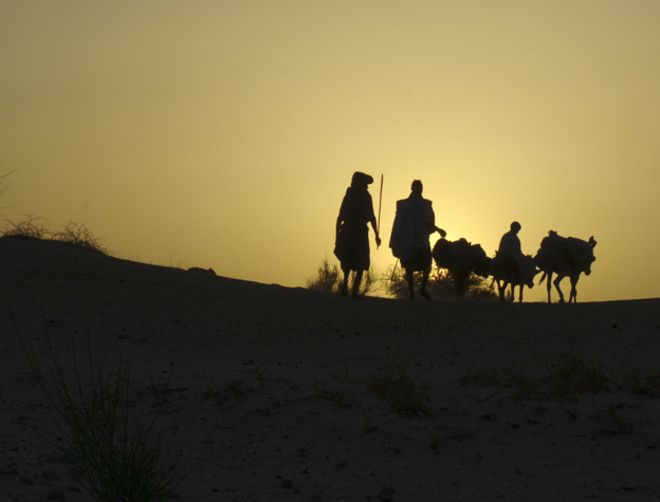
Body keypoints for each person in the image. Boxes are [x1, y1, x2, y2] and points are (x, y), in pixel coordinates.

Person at [389, 179, 445, 300]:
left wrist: (437, 229)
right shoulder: (416, 205)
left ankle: (418, 291)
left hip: (414, 241)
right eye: (419, 187)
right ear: (415, 188)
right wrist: (438, 229)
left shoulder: (414, 205)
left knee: (421, 266)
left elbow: (427, 223)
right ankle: (415, 292)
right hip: (415, 242)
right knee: (417, 266)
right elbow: (427, 223)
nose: (420, 189)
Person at [334, 171, 381, 297]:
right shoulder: (365, 196)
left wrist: (337, 237)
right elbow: (371, 216)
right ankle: (352, 289)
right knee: (361, 260)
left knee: (349, 259)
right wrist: (376, 234)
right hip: (358, 231)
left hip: (348, 230)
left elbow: (340, 218)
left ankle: (346, 285)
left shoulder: (349, 195)